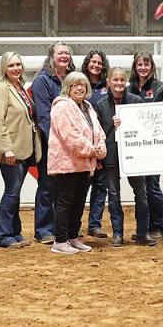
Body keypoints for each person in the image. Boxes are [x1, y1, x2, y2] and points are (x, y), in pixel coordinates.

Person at [95, 67, 156, 247]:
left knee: (142, 195)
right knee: (113, 196)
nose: (119, 83)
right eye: (116, 80)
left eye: (122, 80)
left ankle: (142, 233)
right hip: (111, 156)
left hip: (134, 156)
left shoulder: (137, 101)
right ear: (108, 82)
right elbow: (98, 133)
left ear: (126, 82)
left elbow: (145, 127)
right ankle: (118, 234)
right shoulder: (100, 105)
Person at [48, 71, 106, 254]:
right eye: (75, 85)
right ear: (68, 88)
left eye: (82, 84)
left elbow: (98, 132)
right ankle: (60, 240)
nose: (79, 88)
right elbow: (70, 137)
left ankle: (72, 237)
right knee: (65, 202)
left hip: (84, 164)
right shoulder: (62, 107)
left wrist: (100, 148)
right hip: (67, 164)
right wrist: (91, 150)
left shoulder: (88, 106)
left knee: (78, 203)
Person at [0, 51, 42, 248]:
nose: (16, 68)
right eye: (11, 65)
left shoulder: (18, 87)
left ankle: (14, 231)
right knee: (12, 191)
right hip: (11, 151)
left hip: (24, 149)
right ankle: (2, 235)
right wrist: (6, 149)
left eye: (18, 64)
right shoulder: (0, 89)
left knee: (15, 191)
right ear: (4, 68)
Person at [30, 42, 75, 245]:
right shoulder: (42, 81)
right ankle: (43, 230)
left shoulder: (72, 79)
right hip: (52, 144)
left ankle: (60, 228)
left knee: (64, 189)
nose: (64, 56)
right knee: (47, 186)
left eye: (67, 53)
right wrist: (58, 141)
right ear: (51, 56)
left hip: (70, 143)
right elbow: (43, 116)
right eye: (60, 53)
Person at [127, 51, 163, 240]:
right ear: (135, 67)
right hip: (135, 146)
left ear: (152, 66)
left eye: (146, 64)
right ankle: (143, 228)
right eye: (139, 64)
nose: (143, 67)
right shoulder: (129, 89)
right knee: (140, 190)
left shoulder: (160, 88)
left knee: (153, 186)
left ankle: (158, 225)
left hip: (154, 146)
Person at [82, 49, 111, 238]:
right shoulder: (79, 83)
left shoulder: (107, 86)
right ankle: (73, 225)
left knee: (101, 187)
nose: (96, 65)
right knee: (80, 188)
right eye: (93, 62)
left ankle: (94, 225)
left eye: (99, 63)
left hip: (103, 143)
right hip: (83, 145)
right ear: (87, 63)